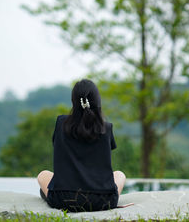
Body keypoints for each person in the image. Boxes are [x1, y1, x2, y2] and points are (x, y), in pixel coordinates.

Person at [37, 79, 126, 212]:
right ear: (97, 101)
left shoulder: (61, 123)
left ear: (74, 101)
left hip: (64, 199)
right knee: (120, 174)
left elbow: (56, 145)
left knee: (43, 174)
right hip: (102, 201)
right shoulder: (105, 128)